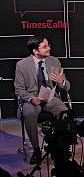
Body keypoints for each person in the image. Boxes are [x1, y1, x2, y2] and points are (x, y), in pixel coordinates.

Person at [14, 35, 70, 164]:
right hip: (32, 99)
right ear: (35, 51)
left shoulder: (54, 61)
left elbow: (66, 86)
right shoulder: (22, 65)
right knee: (28, 113)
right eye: (45, 47)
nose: (49, 48)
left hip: (50, 97)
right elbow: (19, 90)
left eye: (48, 45)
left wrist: (61, 82)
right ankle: (36, 150)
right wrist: (30, 98)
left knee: (64, 111)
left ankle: (59, 146)